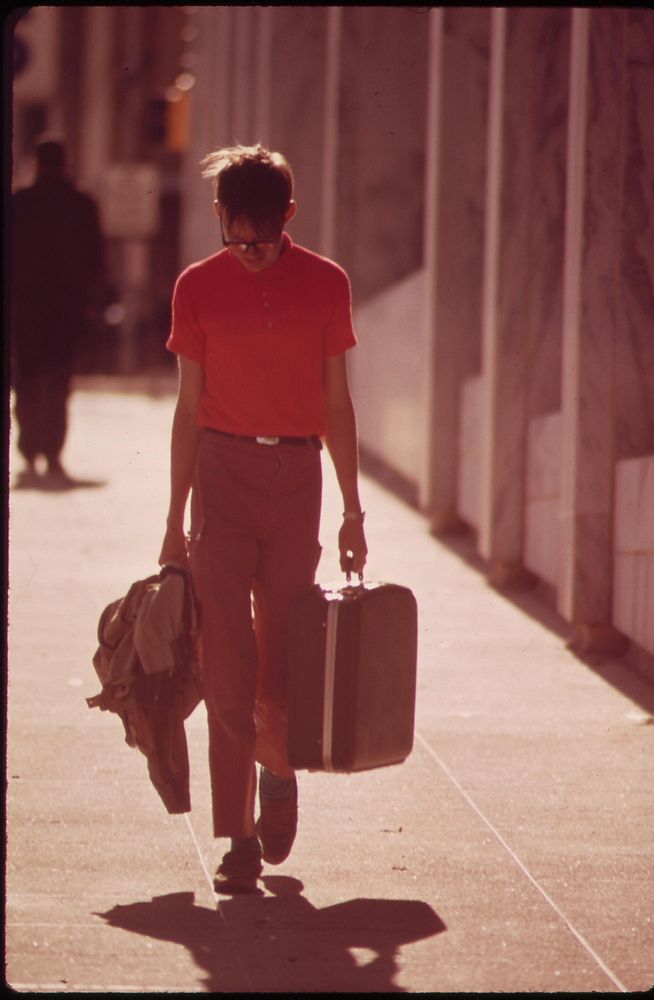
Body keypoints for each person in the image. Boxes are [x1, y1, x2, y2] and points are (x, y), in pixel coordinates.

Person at [159, 144, 367, 893]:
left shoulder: (324, 283)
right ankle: (236, 836)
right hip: (220, 471)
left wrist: (351, 509)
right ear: (219, 217)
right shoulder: (196, 287)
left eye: (263, 239)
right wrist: (172, 518)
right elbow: (187, 410)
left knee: (278, 655)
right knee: (225, 662)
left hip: (297, 474)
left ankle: (276, 772)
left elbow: (338, 404)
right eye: (234, 237)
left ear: (287, 217)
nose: (248, 254)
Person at [10, 136, 105, 480]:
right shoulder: (81, 204)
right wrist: (91, 303)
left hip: (29, 305)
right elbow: (97, 258)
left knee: (28, 379)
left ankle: (32, 450)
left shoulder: (22, 202)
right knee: (57, 380)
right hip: (66, 306)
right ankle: (50, 452)